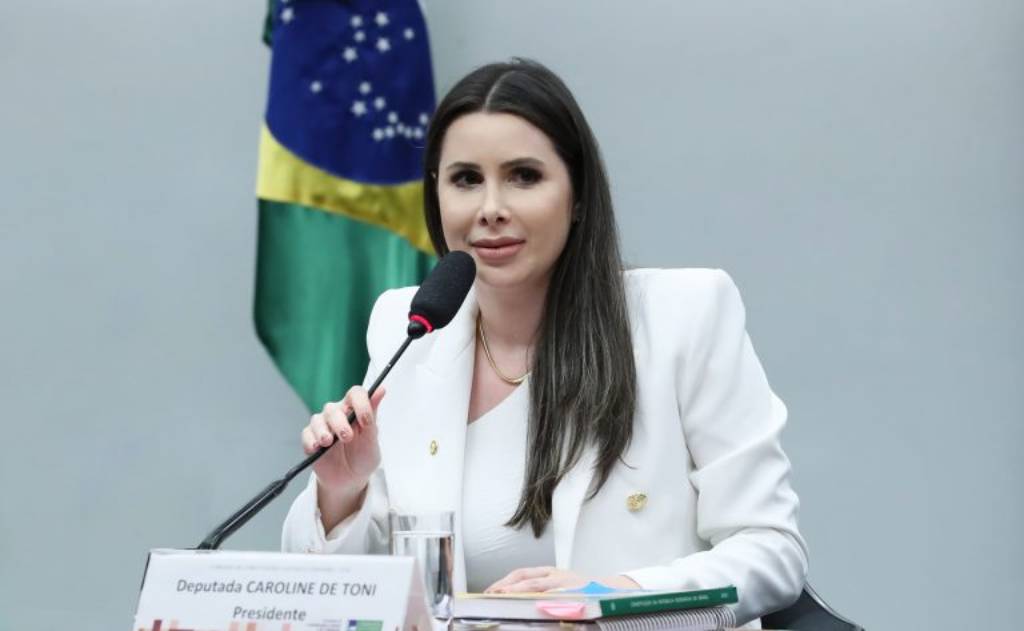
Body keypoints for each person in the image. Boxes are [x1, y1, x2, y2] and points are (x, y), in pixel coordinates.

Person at [282, 58, 808, 625]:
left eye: (524, 176)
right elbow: (352, 599)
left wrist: (614, 596)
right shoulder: (408, 328)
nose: (490, 209)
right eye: (465, 179)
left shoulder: (684, 317)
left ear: (577, 195)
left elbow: (772, 550)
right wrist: (343, 492)